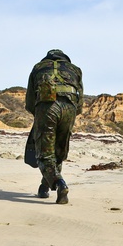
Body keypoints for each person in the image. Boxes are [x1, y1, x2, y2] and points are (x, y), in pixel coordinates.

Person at [25, 49, 83, 204]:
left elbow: (30, 101)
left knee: (45, 153)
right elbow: (80, 102)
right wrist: (70, 115)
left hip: (47, 106)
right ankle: (44, 187)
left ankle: (59, 183)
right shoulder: (75, 69)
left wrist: (38, 116)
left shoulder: (38, 67)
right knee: (59, 151)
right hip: (69, 107)